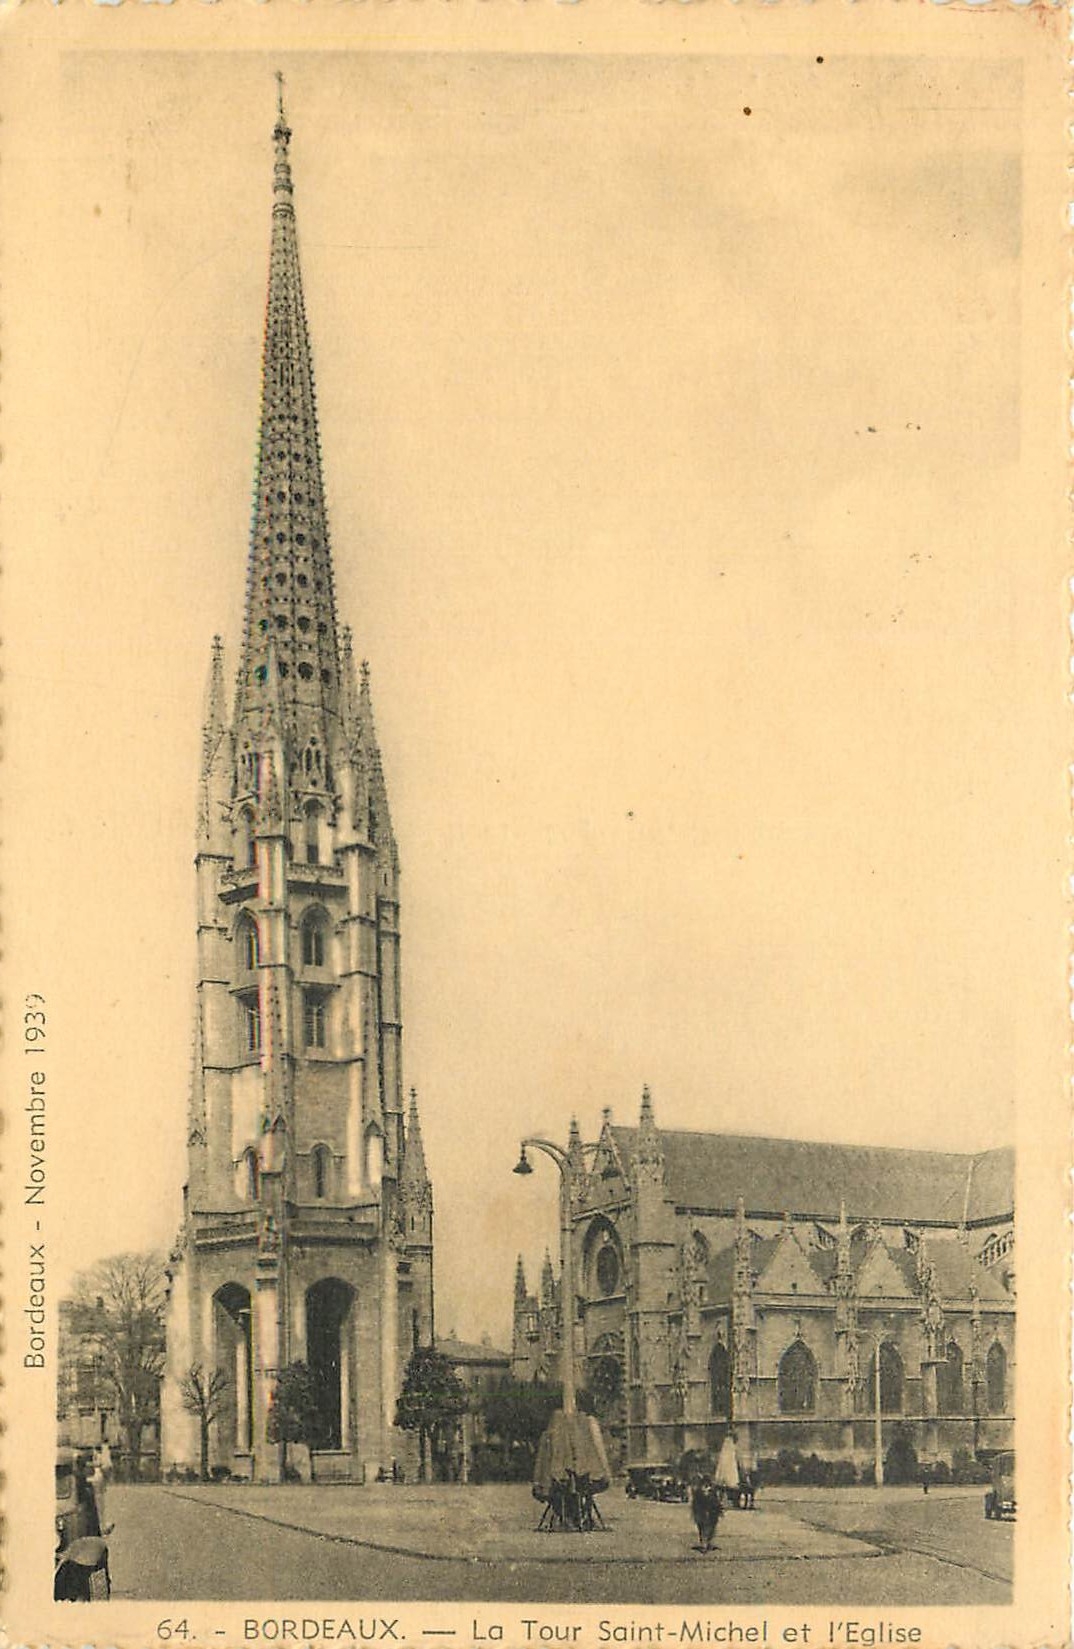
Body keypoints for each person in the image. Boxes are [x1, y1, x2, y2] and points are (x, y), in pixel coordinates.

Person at [691, 1474, 722, 1553]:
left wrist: (719, 1511)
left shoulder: (712, 1491)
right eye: (705, 1483)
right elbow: (695, 1504)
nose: (707, 1485)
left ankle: (708, 1543)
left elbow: (716, 1503)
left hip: (712, 1514)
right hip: (702, 1514)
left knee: (711, 1529)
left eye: (708, 1483)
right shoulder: (698, 1492)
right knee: (702, 1529)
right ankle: (704, 1544)